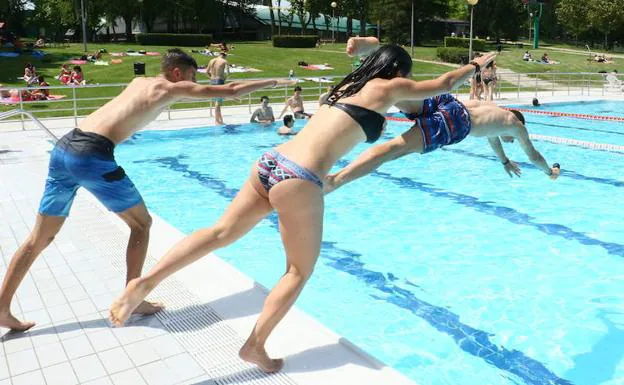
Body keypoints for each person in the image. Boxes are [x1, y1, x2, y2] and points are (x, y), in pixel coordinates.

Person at [108, 39, 495, 374]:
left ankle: (143, 283)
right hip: (299, 178)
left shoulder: (346, 88)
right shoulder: (387, 87)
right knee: (297, 272)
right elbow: (444, 84)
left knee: (219, 232)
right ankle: (255, 344)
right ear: (396, 70)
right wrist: (477, 64)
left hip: (271, 161)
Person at [0, 48, 292, 331]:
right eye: (192, 76)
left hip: (64, 148)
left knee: (38, 238)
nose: (196, 84)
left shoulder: (139, 81)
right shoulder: (168, 88)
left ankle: (2, 308)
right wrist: (276, 81)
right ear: (177, 73)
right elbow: (231, 90)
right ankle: (135, 297)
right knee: (142, 225)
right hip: (91, 155)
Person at [207, 52, 229, 125]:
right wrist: (224, 79)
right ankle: (217, 121)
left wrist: (211, 78)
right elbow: (228, 73)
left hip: (212, 81)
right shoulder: (224, 61)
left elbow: (207, 72)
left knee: (216, 102)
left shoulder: (211, 60)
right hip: (219, 81)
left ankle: (220, 120)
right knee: (218, 103)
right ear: (224, 56)